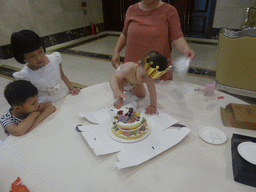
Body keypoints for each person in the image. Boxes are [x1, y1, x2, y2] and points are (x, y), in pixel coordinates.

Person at [111, 0, 196, 81]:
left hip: (156, 69)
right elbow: (124, 34)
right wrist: (116, 51)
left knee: (156, 94)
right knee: (132, 95)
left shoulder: (169, 11)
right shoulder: (131, 10)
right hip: (132, 69)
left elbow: (177, 37)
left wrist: (186, 49)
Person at [11, 30, 80, 104]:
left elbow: (62, 76)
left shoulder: (55, 59)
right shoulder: (25, 75)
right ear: (22, 57)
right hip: (47, 104)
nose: (39, 58)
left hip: (65, 95)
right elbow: (29, 97)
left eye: (40, 51)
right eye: (32, 56)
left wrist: (72, 88)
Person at [110, 50, 169, 115]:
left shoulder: (146, 76)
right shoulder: (129, 69)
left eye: (149, 80)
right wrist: (116, 90)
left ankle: (132, 88)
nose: (145, 81)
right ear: (139, 64)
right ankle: (120, 99)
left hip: (134, 82)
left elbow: (152, 90)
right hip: (123, 79)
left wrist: (153, 105)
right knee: (121, 80)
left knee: (142, 95)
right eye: (143, 76)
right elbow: (113, 77)